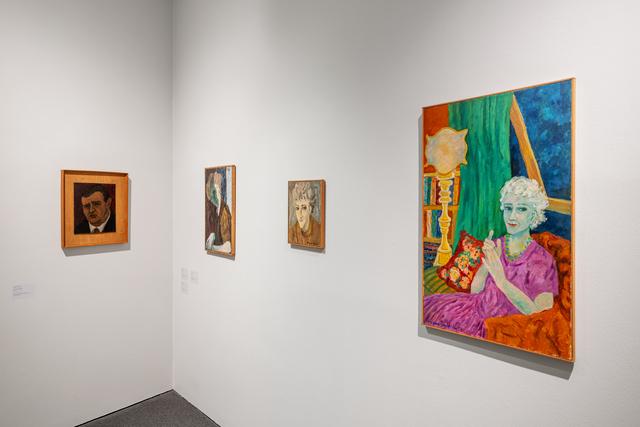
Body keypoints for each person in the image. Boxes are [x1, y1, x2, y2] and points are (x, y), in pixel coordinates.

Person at [424, 176, 559, 338]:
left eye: (521, 209)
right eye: (508, 208)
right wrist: (485, 265)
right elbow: (475, 291)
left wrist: (501, 280)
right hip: (474, 309)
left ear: (534, 214)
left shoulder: (542, 260)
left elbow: (541, 315)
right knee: (429, 309)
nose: (512, 216)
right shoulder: (497, 244)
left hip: (499, 326)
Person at [205, 170, 232, 253]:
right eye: (210, 195)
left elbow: (228, 246)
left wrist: (212, 248)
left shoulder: (224, 212)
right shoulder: (215, 211)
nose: (211, 198)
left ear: (219, 190)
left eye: (214, 192)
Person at [288, 181, 321, 247]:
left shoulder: (318, 231)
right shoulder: (292, 233)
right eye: (297, 208)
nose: (300, 214)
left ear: (310, 209)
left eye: (304, 208)